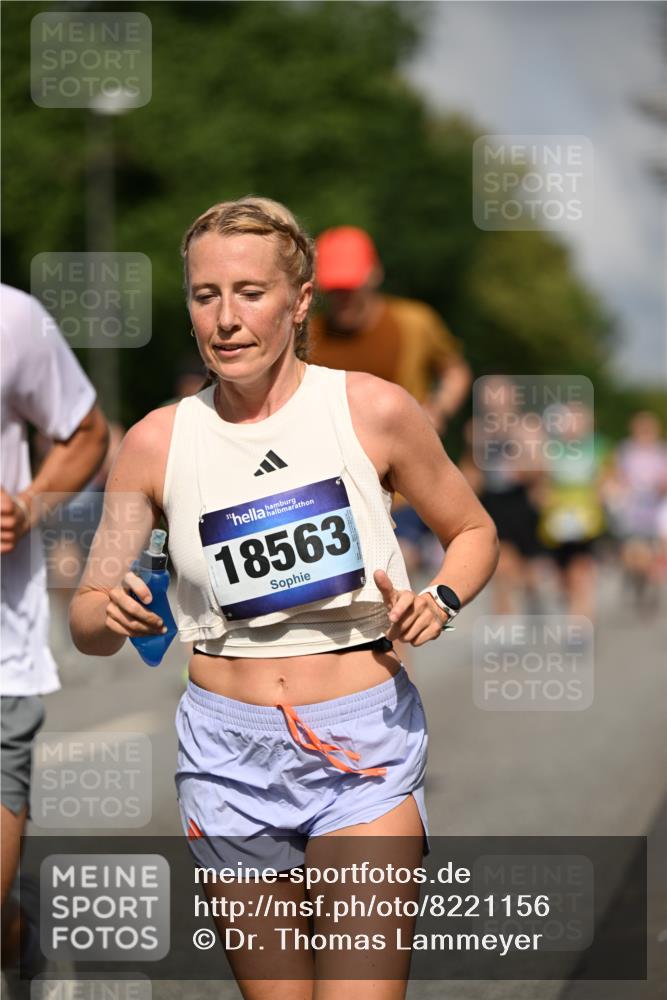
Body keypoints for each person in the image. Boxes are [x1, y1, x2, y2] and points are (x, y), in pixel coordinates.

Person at [69, 197, 498, 999]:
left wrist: (439, 598)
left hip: (359, 748)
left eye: (250, 293)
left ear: (299, 303)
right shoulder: (156, 441)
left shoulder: (372, 409)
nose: (226, 319)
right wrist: (111, 612)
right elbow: (88, 616)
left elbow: (472, 530)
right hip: (225, 757)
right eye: (205, 296)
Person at [0, 284, 108, 971]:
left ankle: (20, 936)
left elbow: (85, 432)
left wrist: (27, 505)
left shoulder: (10, 318)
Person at [309, 226, 472, 575]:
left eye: (350, 286)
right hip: (336, 490)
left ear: (374, 274)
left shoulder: (414, 323)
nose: (343, 297)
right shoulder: (310, 335)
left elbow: (455, 370)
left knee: (398, 562)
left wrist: (439, 409)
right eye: (334, 288)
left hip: (403, 487)